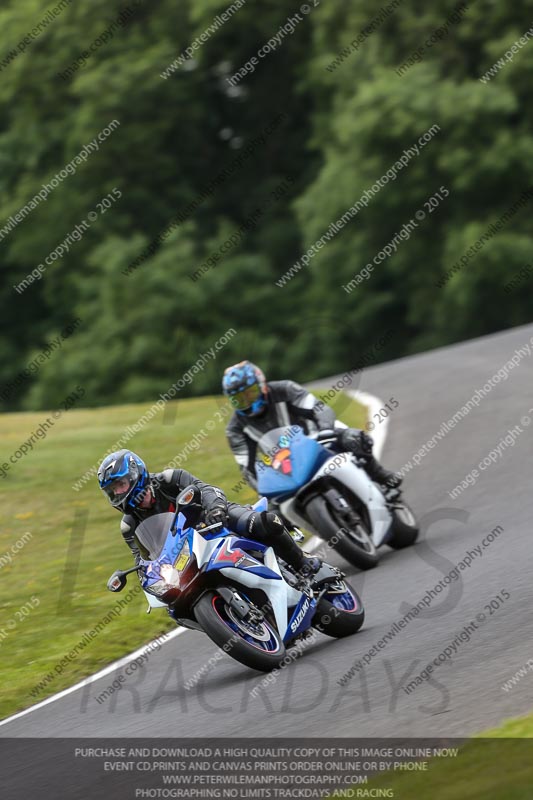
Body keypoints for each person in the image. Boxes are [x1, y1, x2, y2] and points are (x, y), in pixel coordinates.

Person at [97, 449, 321, 588]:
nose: (118, 493)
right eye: (112, 490)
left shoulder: (170, 479)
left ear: (136, 474)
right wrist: (147, 575)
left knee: (264, 522)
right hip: (187, 553)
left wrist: (215, 510)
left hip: (216, 521)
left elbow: (207, 490)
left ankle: (302, 564)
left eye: (121, 484)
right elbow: (141, 558)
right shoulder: (129, 525)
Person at [222, 360, 402, 493]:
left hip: (317, 437)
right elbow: (247, 467)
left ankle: (378, 474)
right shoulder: (234, 429)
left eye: (250, 393)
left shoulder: (285, 389)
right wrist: (264, 492)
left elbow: (319, 408)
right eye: (239, 399)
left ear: (262, 385)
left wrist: (326, 430)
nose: (246, 402)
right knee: (273, 514)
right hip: (282, 463)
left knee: (353, 438)